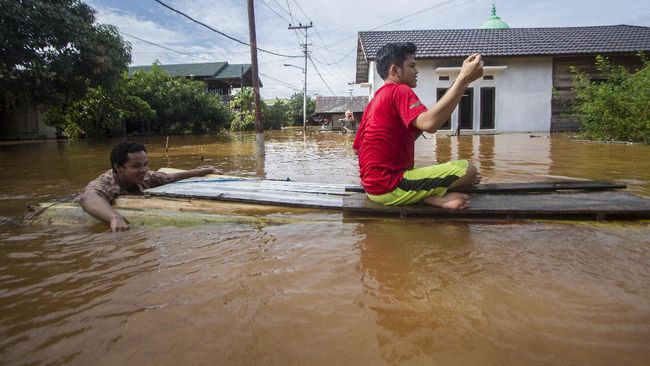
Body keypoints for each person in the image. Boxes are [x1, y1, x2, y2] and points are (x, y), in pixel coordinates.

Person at [352, 42, 483, 210]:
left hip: (371, 188)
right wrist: (464, 78)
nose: (416, 71)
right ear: (395, 70)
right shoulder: (399, 90)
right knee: (468, 170)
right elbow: (430, 123)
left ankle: (431, 196)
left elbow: (357, 149)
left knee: (451, 173)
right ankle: (430, 197)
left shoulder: (374, 102)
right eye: (412, 66)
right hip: (390, 187)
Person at [77, 141, 218, 231]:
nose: (144, 170)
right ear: (118, 168)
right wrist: (114, 218)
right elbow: (87, 197)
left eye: (146, 164)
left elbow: (170, 177)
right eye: (136, 166)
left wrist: (208, 170)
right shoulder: (107, 182)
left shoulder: (144, 177)